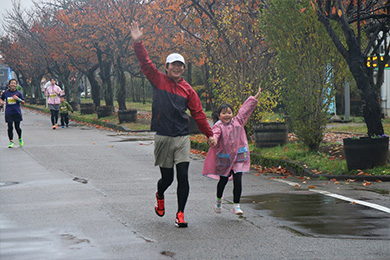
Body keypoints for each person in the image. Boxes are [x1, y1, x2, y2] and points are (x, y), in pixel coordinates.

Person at [130, 21, 216, 228]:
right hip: (163, 137)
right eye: (173, 65)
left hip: (182, 138)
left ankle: (180, 214)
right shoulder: (158, 80)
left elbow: (198, 113)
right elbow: (145, 63)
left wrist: (209, 134)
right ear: (167, 67)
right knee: (167, 179)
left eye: (180, 65)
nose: (177, 68)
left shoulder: (188, 90)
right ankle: (160, 195)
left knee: (183, 176)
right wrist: (138, 43)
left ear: (183, 69)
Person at [202, 86, 262, 215]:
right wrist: (212, 140)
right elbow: (215, 135)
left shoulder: (238, 122)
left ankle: (236, 205)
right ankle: (218, 200)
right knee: (222, 181)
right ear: (219, 115)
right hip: (225, 159)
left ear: (232, 114)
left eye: (229, 112)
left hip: (238, 158)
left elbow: (245, 110)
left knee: (238, 180)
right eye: (224, 113)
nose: (227, 115)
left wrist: (254, 98)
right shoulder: (218, 126)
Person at [0, 79, 25, 148]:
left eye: (14, 83)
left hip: (16, 112)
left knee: (17, 127)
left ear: (16, 85)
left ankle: (20, 138)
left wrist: (18, 99)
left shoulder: (18, 93)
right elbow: (1, 98)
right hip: (9, 112)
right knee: (10, 127)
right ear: (9, 85)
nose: (13, 84)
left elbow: (23, 102)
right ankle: (11, 141)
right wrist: (1, 102)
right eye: (12, 83)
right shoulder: (6, 93)